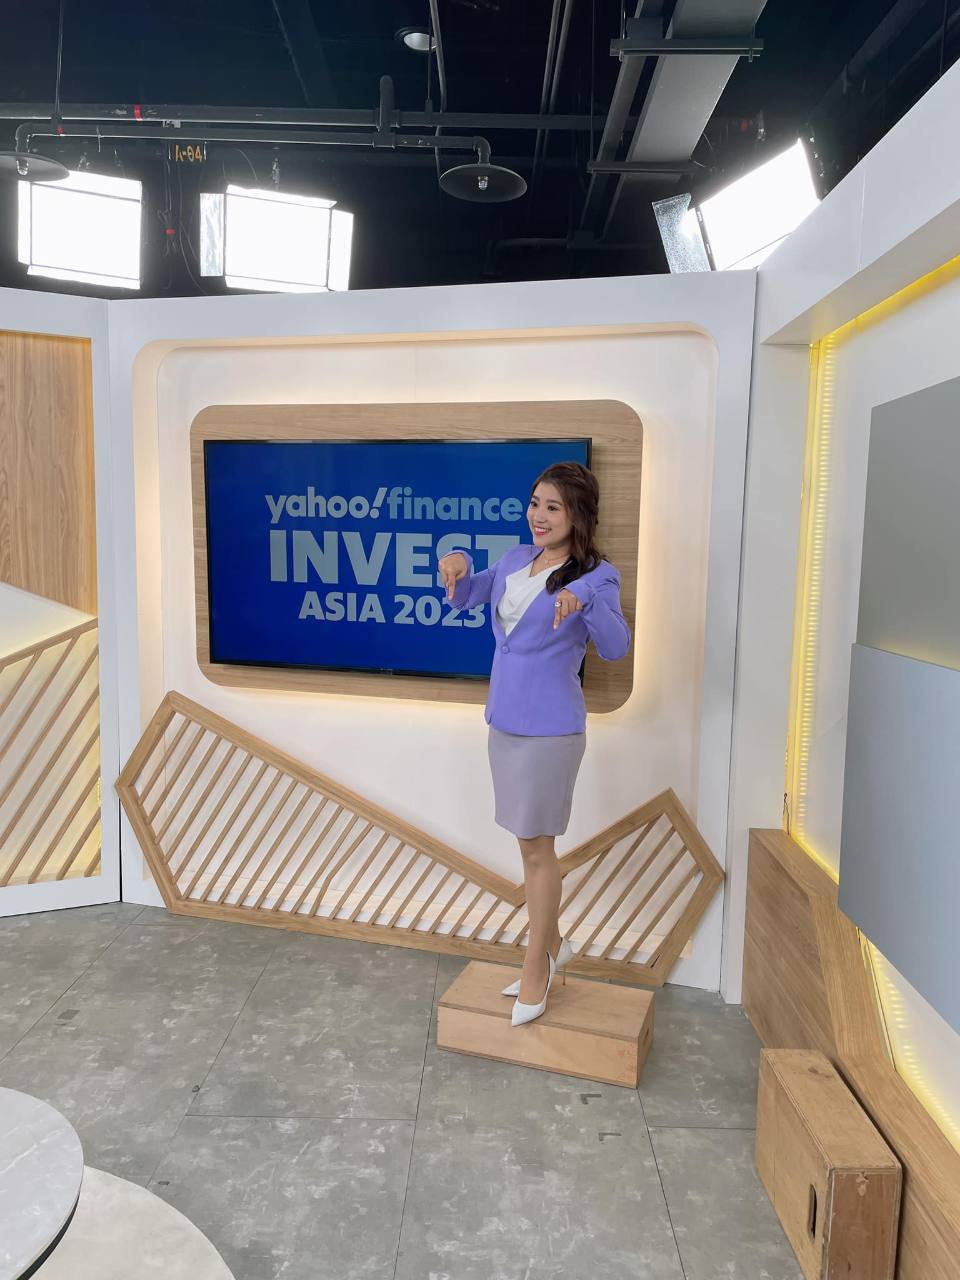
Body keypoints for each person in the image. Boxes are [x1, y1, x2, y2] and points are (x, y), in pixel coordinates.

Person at [437, 461, 631, 1027]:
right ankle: (555, 943)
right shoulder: (514, 559)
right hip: (504, 722)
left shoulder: (598, 576)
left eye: (553, 506)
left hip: (551, 730)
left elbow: (616, 648)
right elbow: (468, 597)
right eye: (534, 503)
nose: (539, 516)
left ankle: (536, 965)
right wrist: (456, 566)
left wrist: (585, 601)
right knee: (527, 846)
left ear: (578, 514)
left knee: (537, 847)